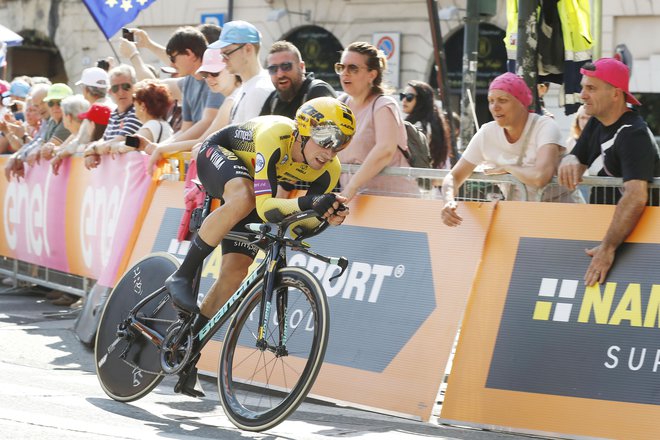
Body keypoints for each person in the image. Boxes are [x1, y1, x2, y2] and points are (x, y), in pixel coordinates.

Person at [164, 97, 355, 397]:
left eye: (340, 143)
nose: (330, 150)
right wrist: (310, 203)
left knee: (236, 271)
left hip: (254, 181)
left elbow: (298, 224)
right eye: (324, 139)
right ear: (304, 130)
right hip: (218, 153)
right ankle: (181, 275)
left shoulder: (329, 170)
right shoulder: (275, 137)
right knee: (243, 197)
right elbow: (267, 207)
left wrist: (327, 217)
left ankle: (188, 352)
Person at [557, 58, 660, 287]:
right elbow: (578, 156)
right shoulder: (597, 121)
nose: (582, 95)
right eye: (583, 87)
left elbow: (635, 197)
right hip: (621, 233)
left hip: (646, 239)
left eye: (591, 88)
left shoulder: (633, 133)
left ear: (615, 93)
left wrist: (607, 248)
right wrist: (569, 160)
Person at [440, 72, 568, 227]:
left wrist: (507, 167)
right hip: (520, 220)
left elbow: (540, 177)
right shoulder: (487, 132)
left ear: (522, 102)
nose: (495, 107)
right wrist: (448, 201)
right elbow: (453, 176)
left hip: (562, 217)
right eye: (491, 101)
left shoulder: (545, 126)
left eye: (503, 100)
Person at [335, 41, 419, 200]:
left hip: (392, 201)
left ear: (371, 75)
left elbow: (385, 150)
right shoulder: (340, 103)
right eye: (341, 67)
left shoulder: (383, 105)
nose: (345, 73)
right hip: (355, 200)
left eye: (353, 68)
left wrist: (351, 188)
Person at [208, 20, 274, 124]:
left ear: (248, 49)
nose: (223, 60)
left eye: (227, 53)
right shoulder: (247, 87)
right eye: (222, 54)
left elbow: (248, 139)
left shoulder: (258, 90)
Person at [82, 64, 142, 169]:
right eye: (115, 88)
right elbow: (105, 140)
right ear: (110, 92)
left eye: (126, 86)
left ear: (134, 87)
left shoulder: (138, 111)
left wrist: (92, 149)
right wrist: (92, 151)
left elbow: (121, 140)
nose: (121, 92)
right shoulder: (114, 113)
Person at [260, 40, 336, 119]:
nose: (280, 74)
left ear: (302, 67)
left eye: (286, 66)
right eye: (273, 69)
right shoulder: (273, 100)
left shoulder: (318, 91)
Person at [400, 80, 452, 170]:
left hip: (419, 177)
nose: (404, 100)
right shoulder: (433, 123)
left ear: (421, 100)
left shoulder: (420, 126)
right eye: (402, 96)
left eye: (409, 97)